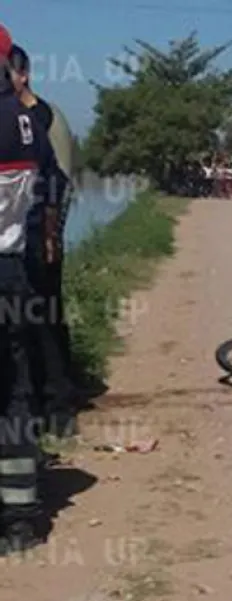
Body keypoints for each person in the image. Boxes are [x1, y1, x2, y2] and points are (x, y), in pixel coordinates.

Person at [0, 25, 65, 554]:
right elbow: (51, 184)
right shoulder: (29, 124)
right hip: (12, 272)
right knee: (13, 395)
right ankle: (21, 520)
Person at [8, 44, 76, 435]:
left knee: (47, 319)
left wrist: (52, 237)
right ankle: (40, 401)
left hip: (38, 234)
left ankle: (57, 405)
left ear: (23, 75)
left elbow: (57, 182)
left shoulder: (42, 119)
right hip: (21, 236)